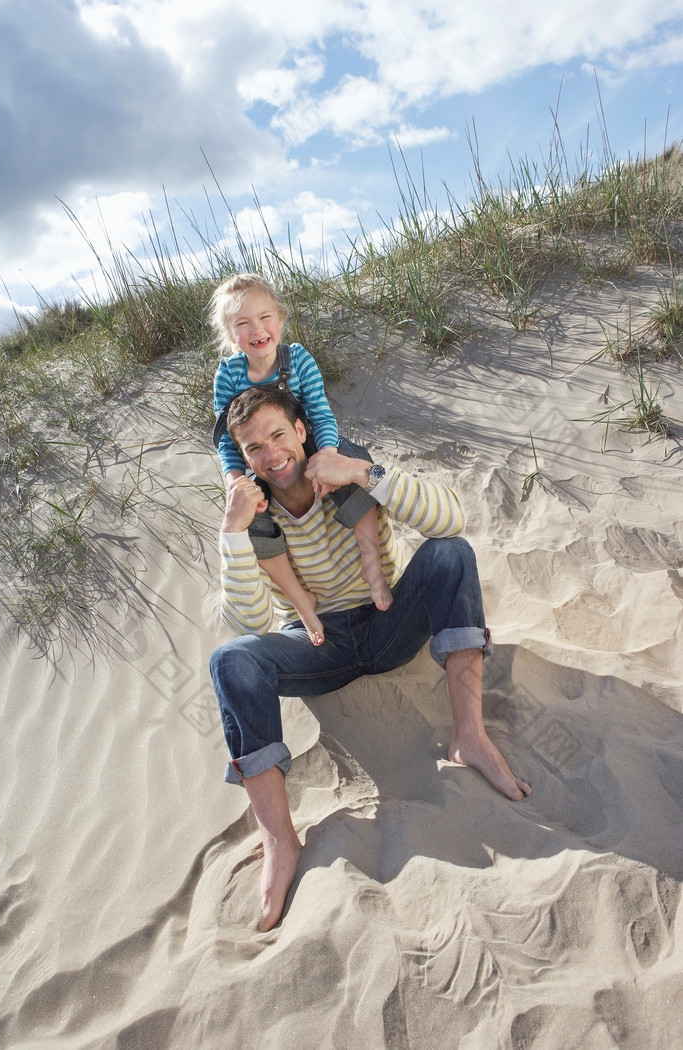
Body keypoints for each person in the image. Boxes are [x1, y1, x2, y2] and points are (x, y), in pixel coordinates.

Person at [210, 385, 532, 932]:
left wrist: (365, 473)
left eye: (277, 435)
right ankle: (279, 838)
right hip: (319, 649)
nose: (270, 454)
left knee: (450, 554)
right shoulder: (254, 513)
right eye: (253, 448)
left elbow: (450, 520)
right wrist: (231, 531)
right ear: (242, 459)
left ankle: (469, 734)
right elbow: (248, 625)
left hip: (389, 625)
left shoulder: (342, 467)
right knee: (231, 661)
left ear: (301, 431)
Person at [209, 272, 392, 647]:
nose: (257, 330)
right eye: (243, 324)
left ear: (280, 319)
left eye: (265, 318)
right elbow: (227, 439)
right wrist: (233, 478)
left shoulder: (300, 360)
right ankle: (302, 605)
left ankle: (371, 563)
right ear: (231, 336)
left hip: (309, 442)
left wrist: (327, 455)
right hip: (264, 461)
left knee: (354, 458)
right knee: (254, 515)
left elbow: (321, 414)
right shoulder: (227, 374)